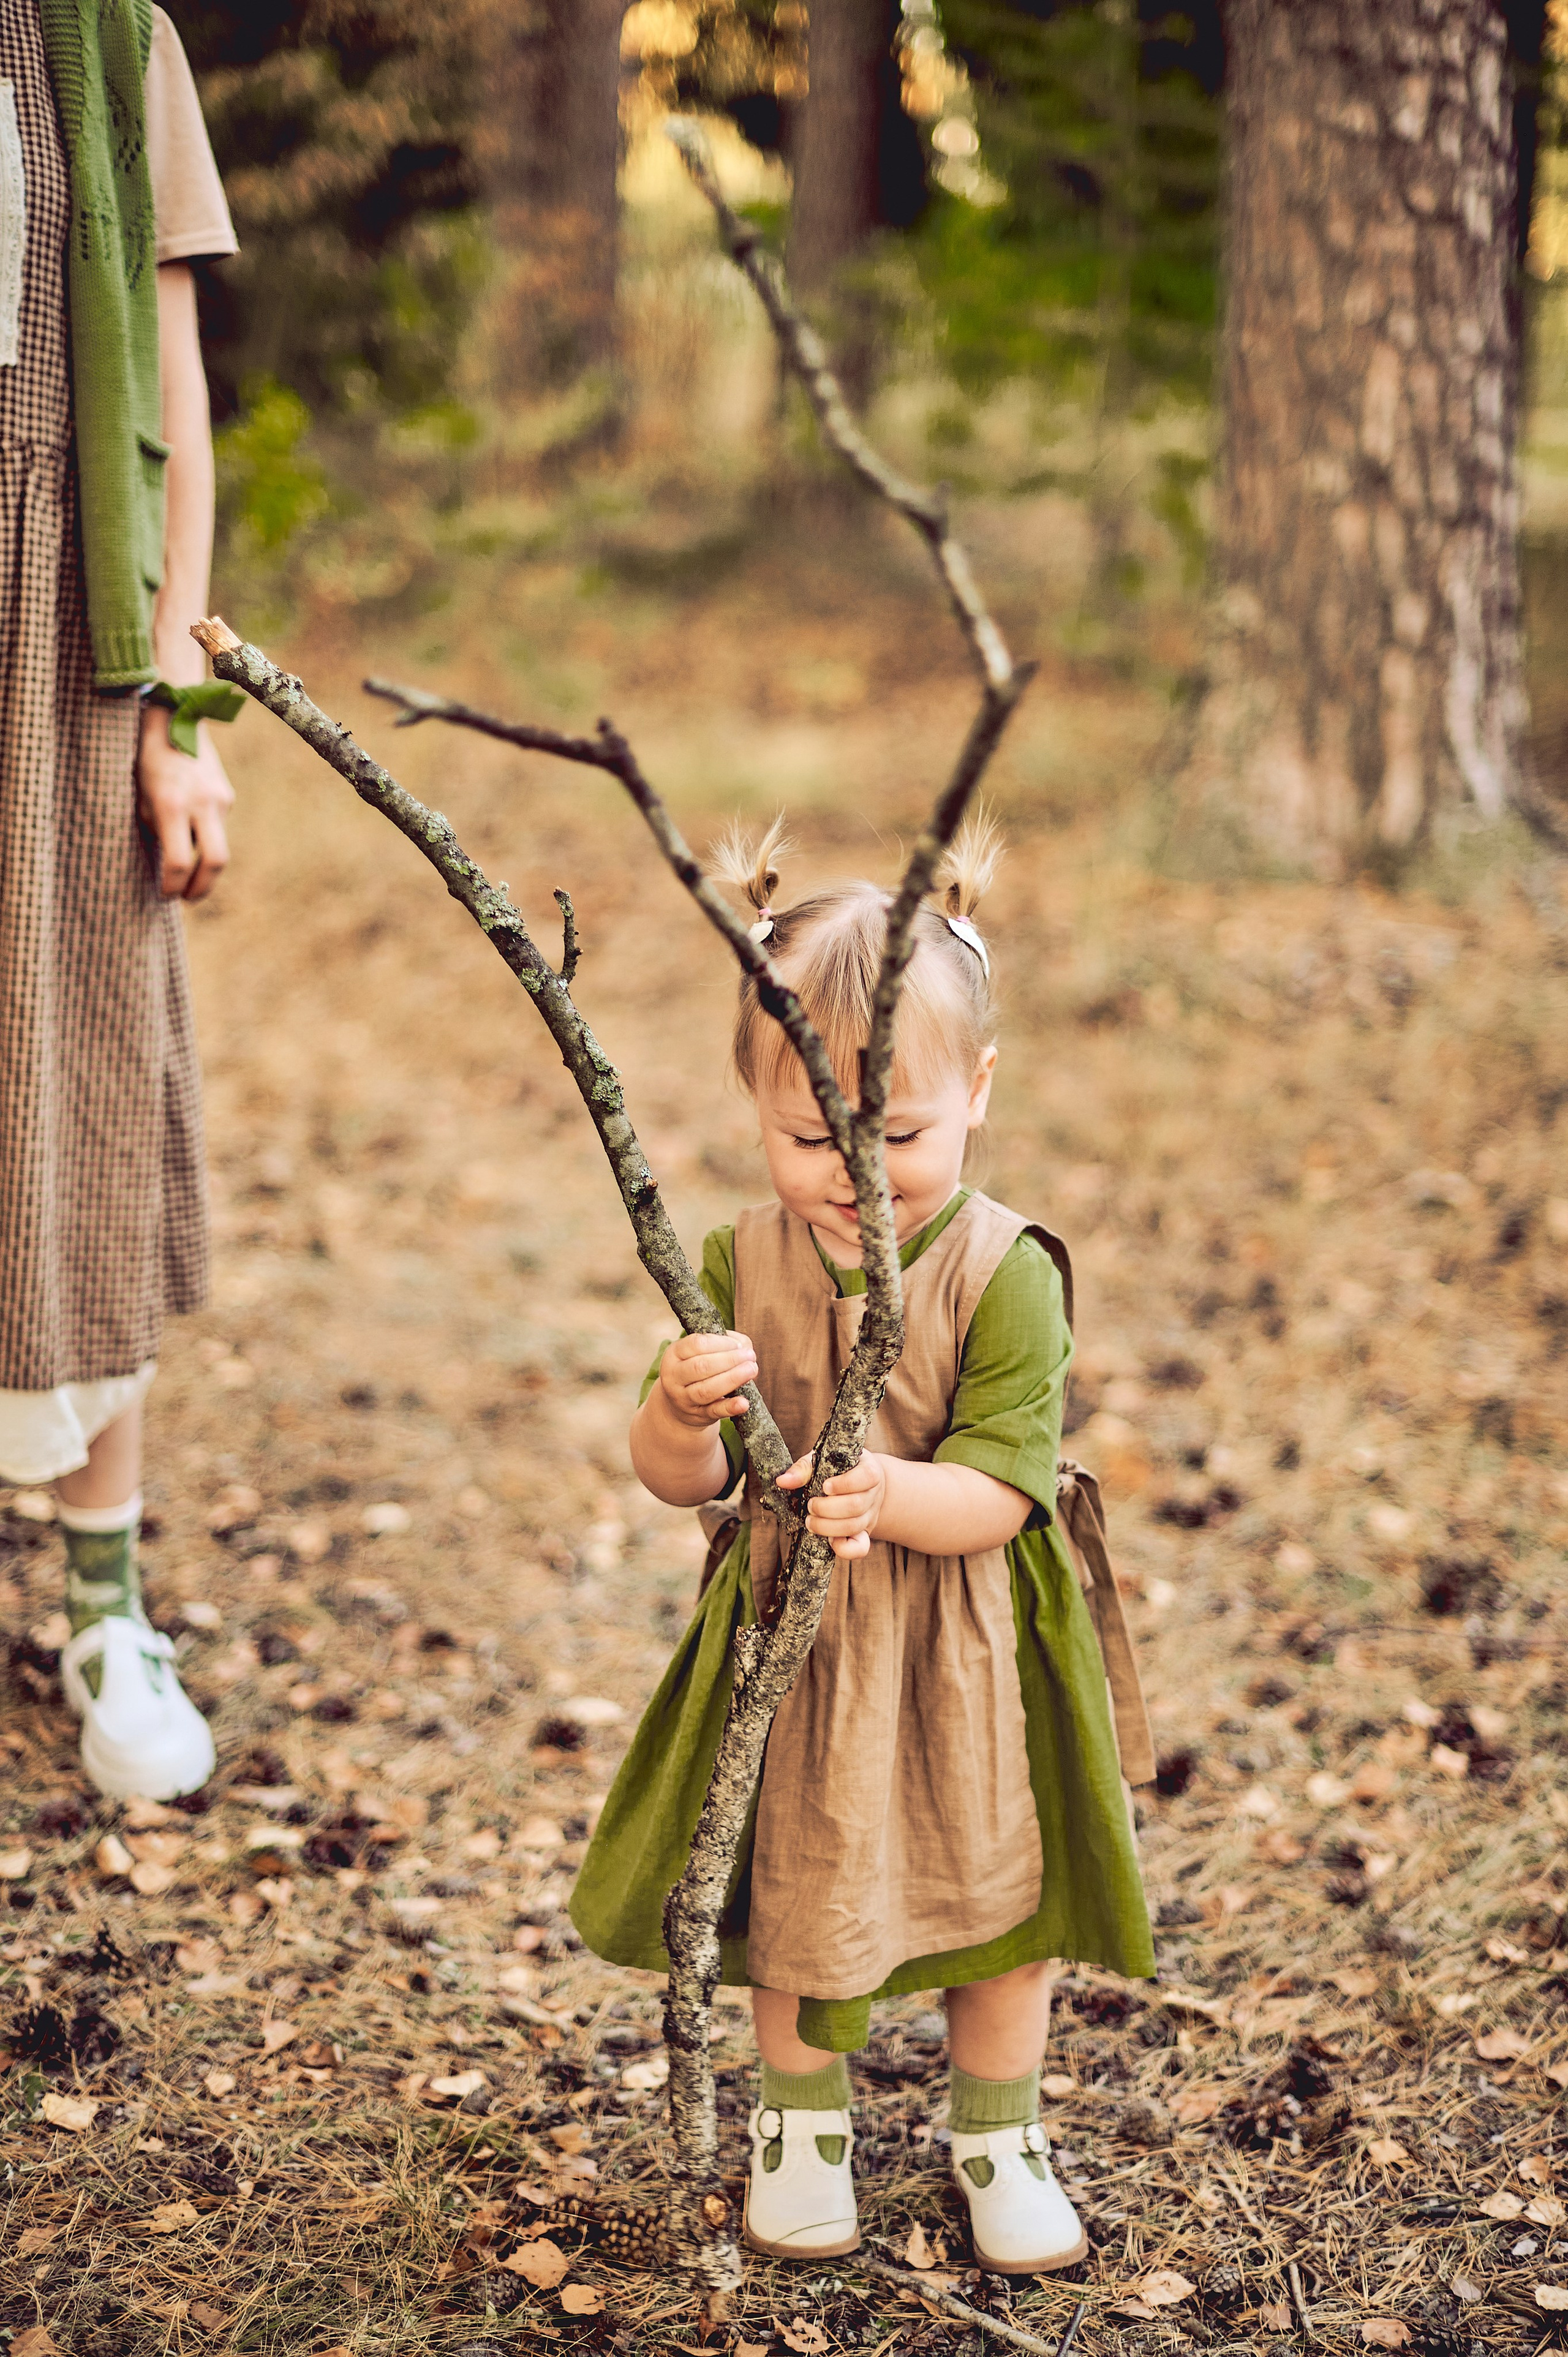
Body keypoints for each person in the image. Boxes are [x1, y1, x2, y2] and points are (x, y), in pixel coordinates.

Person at [571, 817, 1155, 2271]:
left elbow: (1006, 1490)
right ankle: (800, 2124)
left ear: (975, 1092)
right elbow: (675, 1482)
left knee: (995, 1886)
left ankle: (1000, 2131)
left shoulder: (1003, 1270)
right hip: (796, 1646)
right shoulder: (730, 1265)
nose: (851, 1172)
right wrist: (678, 1407)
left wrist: (889, 1494)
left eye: (892, 1134)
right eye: (804, 1137)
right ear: (751, 1106)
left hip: (961, 1643)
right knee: (793, 1877)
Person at [0, 4, 239, 1800]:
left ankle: (105, 1599)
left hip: (56, 641)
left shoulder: (102, 33)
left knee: (82, 1065)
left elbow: (169, 390)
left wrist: (182, 703)